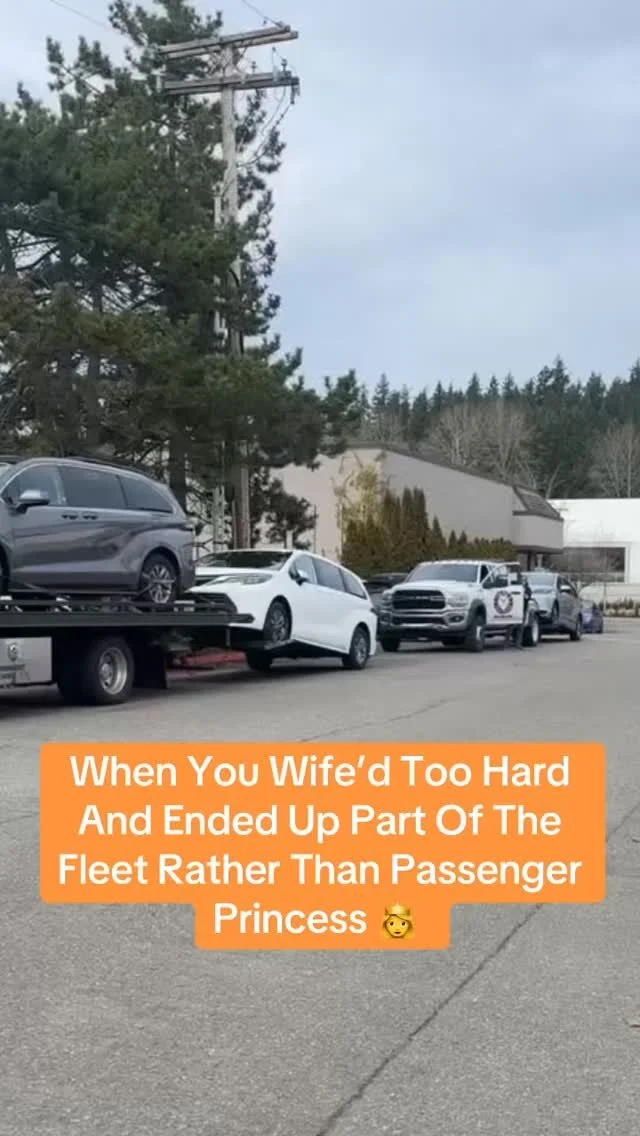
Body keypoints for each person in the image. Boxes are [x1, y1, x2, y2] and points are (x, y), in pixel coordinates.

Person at [510, 573, 532, 648]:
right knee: (511, 626)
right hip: (514, 609)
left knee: (520, 627)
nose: (523, 581)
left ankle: (518, 643)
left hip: (523, 609)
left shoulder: (527, 589)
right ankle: (508, 642)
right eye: (522, 580)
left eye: (524, 580)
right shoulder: (515, 587)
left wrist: (524, 593)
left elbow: (527, 597)